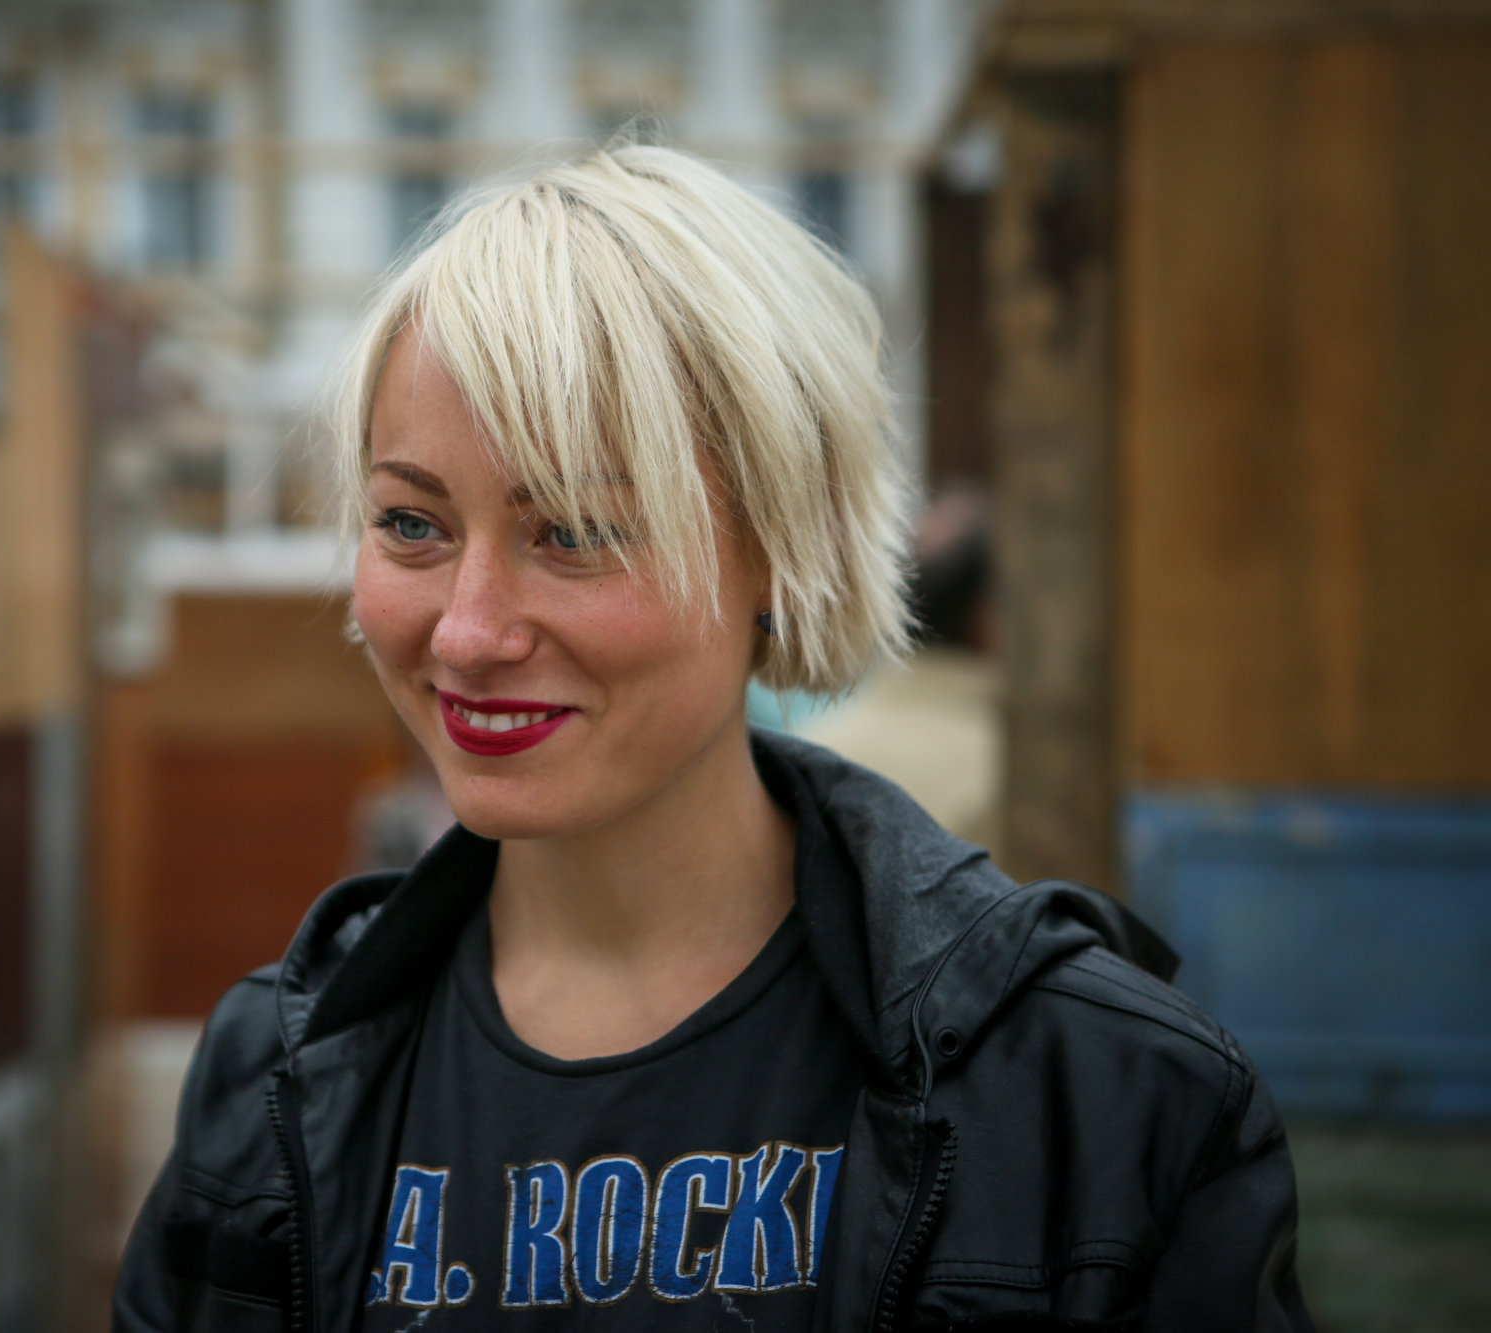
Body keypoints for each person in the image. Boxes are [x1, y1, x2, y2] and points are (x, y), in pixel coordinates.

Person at [114, 145, 1310, 1333]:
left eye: (573, 531)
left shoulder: (1096, 1090)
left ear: (781, 550)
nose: (467, 632)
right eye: (411, 523)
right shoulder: (272, 1075)